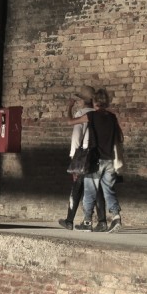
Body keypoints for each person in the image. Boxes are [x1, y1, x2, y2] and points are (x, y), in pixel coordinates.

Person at [59, 96, 106, 230]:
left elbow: (76, 137)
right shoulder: (101, 115)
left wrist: (73, 159)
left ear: (82, 101)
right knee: (97, 189)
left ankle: (69, 220)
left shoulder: (82, 114)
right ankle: (102, 221)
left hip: (84, 155)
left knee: (77, 188)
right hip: (97, 155)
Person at [79, 88, 123, 232]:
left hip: (95, 160)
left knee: (89, 192)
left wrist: (69, 108)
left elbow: (70, 122)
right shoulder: (112, 117)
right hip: (109, 160)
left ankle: (87, 222)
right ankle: (116, 217)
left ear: (94, 102)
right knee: (109, 190)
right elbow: (120, 137)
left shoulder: (91, 115)